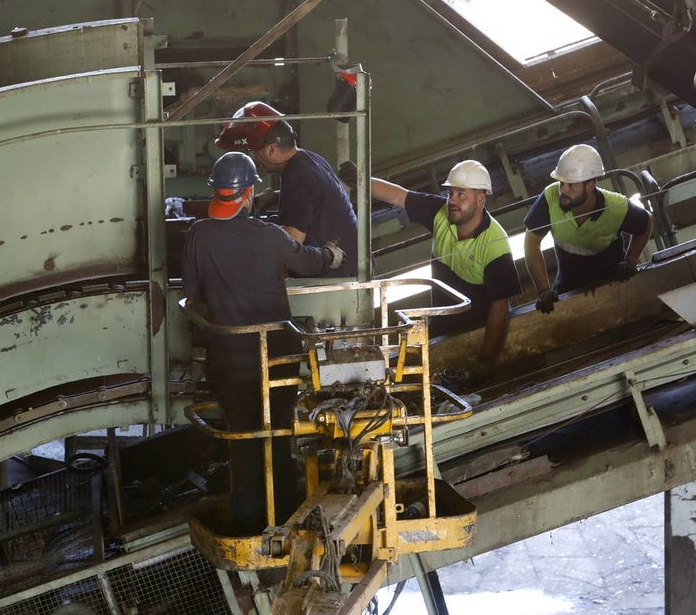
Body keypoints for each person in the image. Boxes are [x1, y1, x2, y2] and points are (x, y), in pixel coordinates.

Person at [182, 151, 345, 533]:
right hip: (276, 359)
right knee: (278, 434)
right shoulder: (269, 236)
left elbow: (193, 294)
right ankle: (283, 518)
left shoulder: (198, 235)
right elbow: (309, 261)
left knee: (242, 439)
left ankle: (248, 520)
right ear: (248, 193)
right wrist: (332, 254)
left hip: (229, 360)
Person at [341, 159, 521, 374]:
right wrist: (362, 179)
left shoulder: (496, 245)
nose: (452, 200)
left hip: (478, 330)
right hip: (443, 325)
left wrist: (485, 360)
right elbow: (399, 196)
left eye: (461, 194)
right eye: (450, 193)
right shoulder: (440, 213)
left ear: (480, 199)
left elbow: (500, 309)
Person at [215, 101, 357, 277]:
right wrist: (274, 197)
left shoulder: (297, 177)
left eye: (254, 151)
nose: (255, 157)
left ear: (271, 149)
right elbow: (311, 197)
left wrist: (252, 233)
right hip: (350, 263)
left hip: (339, 275)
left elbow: (291, 243)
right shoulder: (307, 158)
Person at [523, 144, 654, 314]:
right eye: (562, 183)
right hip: (568, 287)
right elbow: (531, 242)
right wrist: (543, 289)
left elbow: (647, 221)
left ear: (590, 185)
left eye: (572, 185)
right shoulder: (550, 197)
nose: (563, 190)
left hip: (614, 284)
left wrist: (630, 261)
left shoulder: (616, 206)